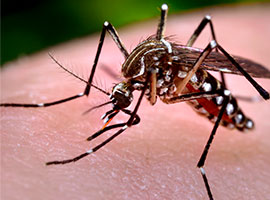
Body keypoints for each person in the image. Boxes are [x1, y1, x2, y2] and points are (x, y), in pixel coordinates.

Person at [1, 5, 270, 200]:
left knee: (210, 47)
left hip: (209, 94)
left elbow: (152, 75)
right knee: (109, 27)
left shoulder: (150, 74)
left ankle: (203, 165)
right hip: (168, 75)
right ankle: (81, 93)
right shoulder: (133, 72)